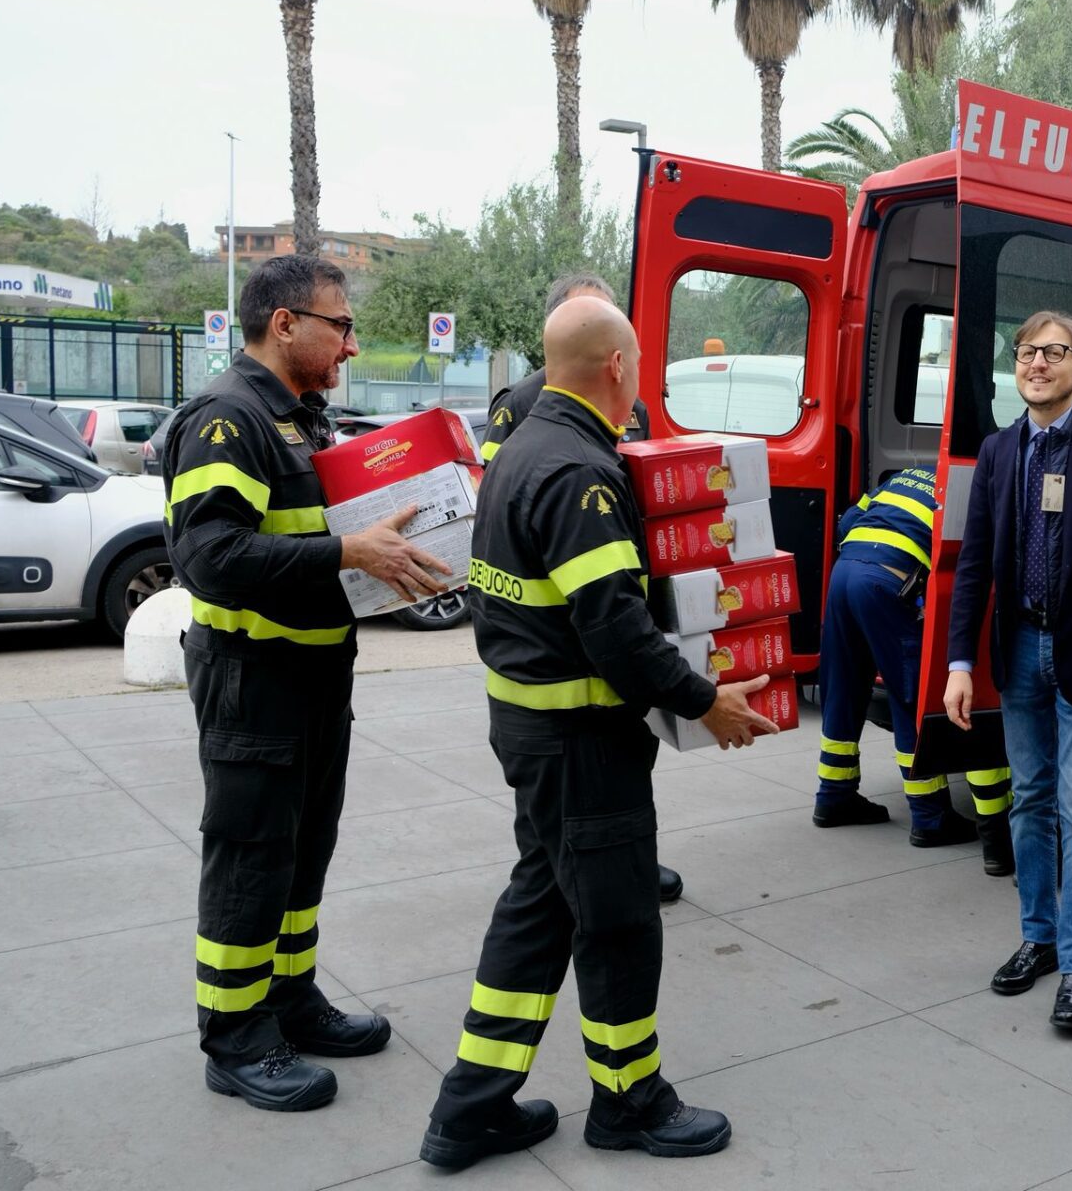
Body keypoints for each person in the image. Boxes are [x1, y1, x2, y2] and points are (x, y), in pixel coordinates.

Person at [419, 296, 776, 1171]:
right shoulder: (580, 472)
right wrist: (705, 701)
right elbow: (615, 629)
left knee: (539, 911)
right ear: (616, 367)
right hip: (579, 743)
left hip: (531, 730)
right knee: (616, 923)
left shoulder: (517, 446)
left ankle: (470, 1109)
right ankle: (629, 1100)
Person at [164, 254, 454, 1111]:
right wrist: (346, 553)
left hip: (313, 672)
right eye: (341, 325)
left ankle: (289, 1000)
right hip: (254, 677)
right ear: (285, 323)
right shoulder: (228, 418)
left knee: (300, 853)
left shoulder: (297, 419)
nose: (352, 345)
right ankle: (236, 1035)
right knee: (252, 857)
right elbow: (207, 557)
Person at [943, 311, 1072, 1035]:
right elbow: (974, 564)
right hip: (1019, 655)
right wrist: (961, 662)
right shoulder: (999, 451)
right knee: (1029, 803)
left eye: (1055, 353)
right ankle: (1037, 938)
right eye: (1027, 352)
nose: (1037, 363)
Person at [480, 271, 683, 905]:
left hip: (567, 687)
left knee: (548, 887)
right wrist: (702, 699)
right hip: (571, 696)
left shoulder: (621, 417)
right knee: (602, 907)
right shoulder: (528, 417)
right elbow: (526, 517)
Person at [813, 466, 1015, 874]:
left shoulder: (905, 475)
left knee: (843, 690)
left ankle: (833, 796)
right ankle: (930, 817)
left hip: (846, 571)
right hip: (887, 583)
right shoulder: (970, 487)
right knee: (911, 699)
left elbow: (849, 521)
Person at [481, 273, 649, 464]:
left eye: (606, 315)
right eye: (585, 316)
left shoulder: (635, 409)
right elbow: (491, 479)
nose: (597, 325)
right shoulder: (517, 402)